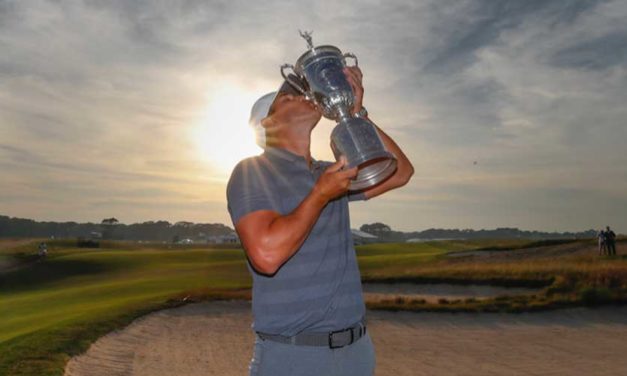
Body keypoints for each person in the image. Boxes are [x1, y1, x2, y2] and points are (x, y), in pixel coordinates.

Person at [226, 66, 413, 376]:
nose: (306, 96)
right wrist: (321, 195)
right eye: (289, 97)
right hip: (293, 357)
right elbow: (266, 255)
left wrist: (354, 114)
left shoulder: (329, 173)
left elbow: (400, 172)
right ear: (267, 122)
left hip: (356, 353)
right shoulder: (252, 172)